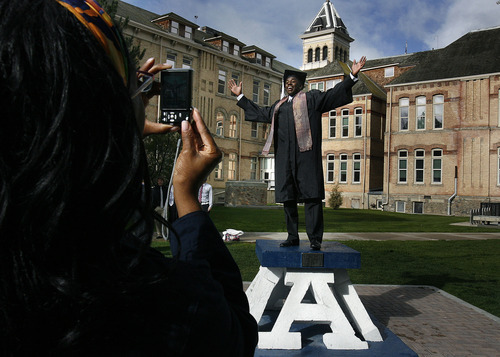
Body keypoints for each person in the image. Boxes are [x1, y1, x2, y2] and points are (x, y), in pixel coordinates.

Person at [0, 0, 257, 355]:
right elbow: (232, 332)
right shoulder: (152, 299)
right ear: (111, 116)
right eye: (132, 92)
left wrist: (117, 113)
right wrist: (186, 197)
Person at [229, 57, 366, 250]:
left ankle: (315, 239)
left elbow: (334, 93)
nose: (289, 85)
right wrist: (240, 97)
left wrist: (352, 76)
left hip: (306, 158)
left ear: (301, 85)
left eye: (293, 82)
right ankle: (292, 236)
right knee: (288, 199)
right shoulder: (279, 106)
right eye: (287, 83)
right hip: (285, 160)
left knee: (312, 198)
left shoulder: (312, 99)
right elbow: (260, 113)